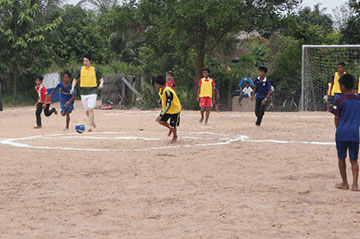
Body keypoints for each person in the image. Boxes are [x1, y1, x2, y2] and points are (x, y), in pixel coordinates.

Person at [330, 74, 360, 191]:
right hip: (354, 133)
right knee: (354, 159)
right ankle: (355, 185)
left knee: (341, 157)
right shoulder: (358, 100)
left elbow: (336, 118)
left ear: (341, 86)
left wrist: (339, 128)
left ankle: (345, 183)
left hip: (342, 132)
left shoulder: (340, 100)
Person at [70, 53, 104, 132]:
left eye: (86, 61)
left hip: (93, 91)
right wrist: (72, 88)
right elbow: (75, 79)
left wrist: (101, 84)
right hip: (83, 92)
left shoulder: (95, 70)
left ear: (90, 61)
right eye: (84, 61)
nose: (85, 63)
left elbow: (101, 78)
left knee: (91, 108)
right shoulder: (80, 70)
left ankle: (89, 126)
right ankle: (92, 121)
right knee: (87, 111)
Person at [155, 75, 182, 143]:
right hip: (167, 109)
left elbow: (168, 104)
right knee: (161, 121)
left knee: (173, 124)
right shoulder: (161, 90)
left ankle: (175, 136)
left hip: (175, 110)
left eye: (156, 84)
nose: (155, 85)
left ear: (159, 84)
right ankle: (170, 128)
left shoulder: (168, 91)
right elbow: (162, 97)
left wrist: (161, 114)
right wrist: (160, 101)